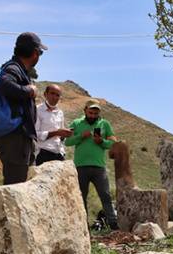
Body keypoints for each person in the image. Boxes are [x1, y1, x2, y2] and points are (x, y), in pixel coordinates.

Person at [0, 32, 46, 184]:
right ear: (35, 53)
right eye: (40, 53)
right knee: (15, 185)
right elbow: (4, 84)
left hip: (17, 139)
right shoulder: (13, 68)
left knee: (18, 184)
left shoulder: (17, 69)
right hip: (15, 139)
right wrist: (29, 91)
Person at [65, 100, 118, 229]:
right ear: (85, 110)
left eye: (96, 113)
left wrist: (102, 141)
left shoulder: (105, 124)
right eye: (91, 112)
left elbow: (113, 143)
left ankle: (113, 224)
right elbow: (67, 142)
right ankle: (83, 226)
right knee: (81, 197)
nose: (93, 115)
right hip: (80, 167)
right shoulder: (77, 123)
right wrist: (81, 136)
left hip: (99, 167)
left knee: (105, 195)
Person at [34, 84, 71, 165]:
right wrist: (56, 132)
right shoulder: (37, 110)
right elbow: (35, 134)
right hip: (43, 153)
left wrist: (64, 134)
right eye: (52, 93)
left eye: (57, 95)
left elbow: (60, 135)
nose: (54, 97)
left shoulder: (60, 112)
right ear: (45, 94)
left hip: (59, 153)